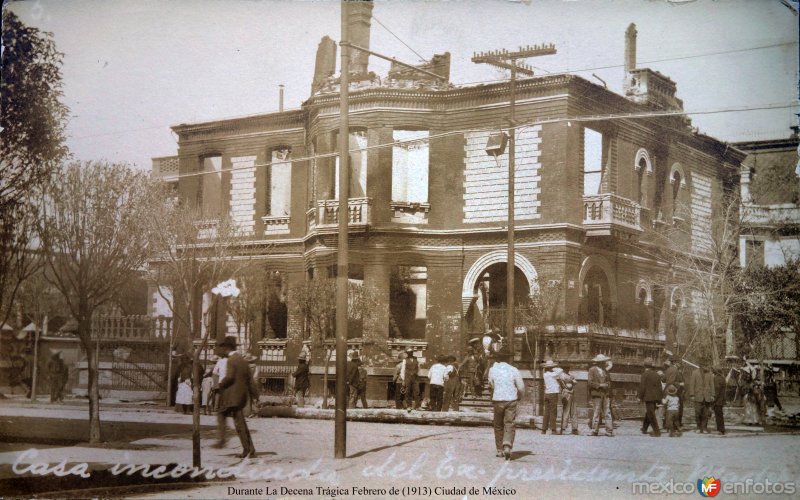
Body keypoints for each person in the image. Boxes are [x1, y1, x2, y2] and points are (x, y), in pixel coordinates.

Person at [215, 336, 259, 459]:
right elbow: (251, 381)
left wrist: (221, 384)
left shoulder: (231, 360)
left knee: (228, 418)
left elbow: (229, 377)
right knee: (240, 423)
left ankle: (224, 440)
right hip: (241, 397)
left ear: (227, 348)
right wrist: (255, 396)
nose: (221, 350)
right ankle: (250, 449)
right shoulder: (243, 361)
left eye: (222, 347)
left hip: (232, 397)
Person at [487, 351, 524, 461]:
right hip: (511, 399)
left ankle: (499, 450)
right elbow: (521, 387)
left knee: (498, 424)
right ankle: (507, 445)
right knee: (509, 423)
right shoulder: (514, 370)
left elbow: (491, 384)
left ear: (498, 359)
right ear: (509, 359)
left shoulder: (493, 370)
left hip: (498, 399)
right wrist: (520, 396)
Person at [588, 354, 613, 436]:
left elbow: (609, 381)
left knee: (607, 412)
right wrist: (600, 385)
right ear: (598, 362)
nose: (604, 363)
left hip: (605, 394)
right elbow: (590, 383)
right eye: (602, 362)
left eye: (604, 361)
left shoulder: (605, 371)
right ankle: (595, 430)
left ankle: (609, 430)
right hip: (597, 394)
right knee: (596, 412)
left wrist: (608, 385)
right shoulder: (592, 370)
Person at [638, 358, 662, 437]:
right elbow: (659, 387)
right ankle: (644, 429)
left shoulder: (645, 374)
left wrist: (639, 396)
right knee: (649, 412)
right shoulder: (657, 374)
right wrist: (659, 398)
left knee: (651, 414)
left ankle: (657, 431)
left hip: (648, 397)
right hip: (656, 397)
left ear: (645, 366)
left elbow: (642, 387)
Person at [688, 364, 715, 433]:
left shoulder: (710, 373)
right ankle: (698, 427)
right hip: (697, 396)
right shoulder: (695, 373)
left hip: (707, 396)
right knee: (697, 413)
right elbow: (692, 384)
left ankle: (704, 428)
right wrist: (692, 395)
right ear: (701, 366)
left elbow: (712, 385)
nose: (706, 367)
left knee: (705, 413)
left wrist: (712, 395)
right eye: (705, 366)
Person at [663, 359, 685, 431]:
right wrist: (680, 384)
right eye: (679, 363)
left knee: (667, 408)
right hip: (674, 391)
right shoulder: (677, 371)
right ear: (676, 363)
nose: (680, 365)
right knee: (676, 408)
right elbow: (675, 382)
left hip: (667, 391)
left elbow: (663, 379)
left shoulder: (668, 369)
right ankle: (675, 426)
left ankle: (666, 425)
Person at [541, 360, 562, 435]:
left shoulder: (545, 374)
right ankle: (553, 429)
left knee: (546, 412)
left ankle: (544, 429)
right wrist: (556, 366)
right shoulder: (552, 374)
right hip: (553, 394)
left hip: (547, 393)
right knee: (553, 412)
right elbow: (560, 370)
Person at [559, 364, 579, 435]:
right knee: (566, 411)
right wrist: (571, 380)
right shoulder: (562, 375)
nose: (568, 369)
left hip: (572, 393)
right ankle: (563, 428)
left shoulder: (568, 374)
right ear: (563, 368)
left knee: (574, 411)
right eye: (566, 367)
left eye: (568, 367)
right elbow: (567, 386)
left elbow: (575, 382)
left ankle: (574, 428)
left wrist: (571, 380)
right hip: (566, 393)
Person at [712, 367, 726, 435]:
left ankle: (720, 429)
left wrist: (714, 400)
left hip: (717, 400)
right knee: (720, 414)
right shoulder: (722, 377)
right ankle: (721, 429)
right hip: (721, 399)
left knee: (718, 415)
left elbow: (717, 390)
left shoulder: (716, 378)